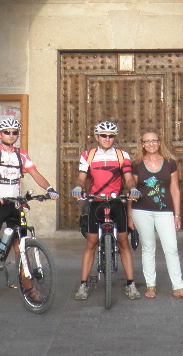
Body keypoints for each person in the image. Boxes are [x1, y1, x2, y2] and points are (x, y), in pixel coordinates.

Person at [0, 118, 59, 310]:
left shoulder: (21, 155)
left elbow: (35, 173)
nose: (11, 136)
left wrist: (50, 189)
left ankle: (28, 288)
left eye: (15, 133)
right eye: (7, 132)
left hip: (15, 205)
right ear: (0, 134)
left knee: (20, 248)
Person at [70, 121, 142, 300]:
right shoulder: (87, 155)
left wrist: (132, 188)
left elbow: (128, 178)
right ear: (97, 137)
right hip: (96, 201)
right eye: (103, 135)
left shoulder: (121, 155)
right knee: (91, 244)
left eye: (111, 136)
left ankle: (130, 284)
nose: (107, 139)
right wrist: (78, 187)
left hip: (116, 201)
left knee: (124, 243)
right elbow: (81, 178)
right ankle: (83, 285)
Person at [127, 131, 183, 299]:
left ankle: (178, 287)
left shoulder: (170, 163)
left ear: (159, 142)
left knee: (171, 247)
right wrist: (129, 215)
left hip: (165, 211)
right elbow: (131, 190)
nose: (151, 144)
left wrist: (177, 215)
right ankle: (150, 285)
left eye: (154, 141)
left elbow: (174, 189)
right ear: (142, 144)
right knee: (148, 247)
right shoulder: (136, 164)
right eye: (147, 141)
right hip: (141, 210)